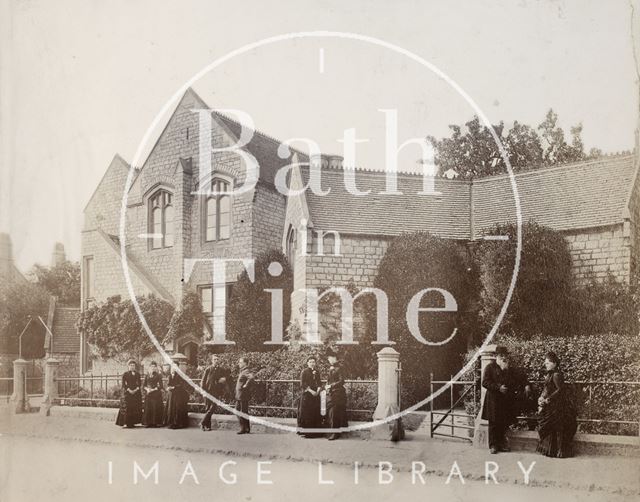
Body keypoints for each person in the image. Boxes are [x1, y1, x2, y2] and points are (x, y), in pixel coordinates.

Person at [481, 346, 531, 454]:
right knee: (493, 423)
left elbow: (521, 377)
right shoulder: (490, 367)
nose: (504, 358)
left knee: (503, 423)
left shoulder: (509, 369)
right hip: (493, 400)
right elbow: (484, 382)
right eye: (501, 356)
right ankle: (493, 445)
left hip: (504, 401)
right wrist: (498, 387)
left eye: (505, 356)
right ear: (496, 357)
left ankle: (501, 444)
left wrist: (526, 385)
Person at [536, 351, 577, 458]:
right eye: (545, 362)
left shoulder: (556, 374)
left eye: (548, 362)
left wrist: (548, 399)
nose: (546, 364)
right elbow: (547, 388)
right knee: (551, 427)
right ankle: (552, 451)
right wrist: (541, 398)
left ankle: (558, 451)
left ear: (554, 363)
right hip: (551, 405)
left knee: (556, 427)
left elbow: (560, 390)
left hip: (557, 406)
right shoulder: (550, 374)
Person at [200, 353, 231, 431]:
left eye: (217, 359)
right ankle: (207, 426)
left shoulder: (221, 370)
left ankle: (203, 422)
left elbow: (228, 376)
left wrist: (224, 379)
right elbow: (203, 381)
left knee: (213, 407)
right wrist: (203, 391)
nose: (216, 361)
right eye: (215, 359)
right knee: (208, 408)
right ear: (212, 360)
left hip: (216, 392)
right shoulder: (208, 369)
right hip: (207, 391)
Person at [297, 356, 322, 437]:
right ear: (307, 363)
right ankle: (307, 433)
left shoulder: (317, 372)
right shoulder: (304, 371)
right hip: (307, 395)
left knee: (315, 412)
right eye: (310, 362)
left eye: (313, 362)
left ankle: (315, 433)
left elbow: (319, 382)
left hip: (315, 395)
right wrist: (311, 391)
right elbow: (302, 384)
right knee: (307, 413)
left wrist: (318, 390)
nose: (312, 363)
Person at [325, 351, 347, 440]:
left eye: (330, 358)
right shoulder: (331, 368)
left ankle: (336, 433)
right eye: (328, 358)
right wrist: (326, 386)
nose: (329, 360)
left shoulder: (340, 368)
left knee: (334, 412)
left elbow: (342, 381)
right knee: (331, 411)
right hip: (331, 393)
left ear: (335, 358)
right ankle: (332, 431)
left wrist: (331, 385)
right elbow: (328, 380)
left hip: (338, 393)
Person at [115, 360, 143, 428]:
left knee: (134, 407)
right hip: (128, 392)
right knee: (128, 407)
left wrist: (136, 390)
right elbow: (123, 384)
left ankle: (133, 422)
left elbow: (139, 384)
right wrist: (129, 390)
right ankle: (127, 422)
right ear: (128, 366)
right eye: (130, 365)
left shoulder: (137, 374)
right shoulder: (125, 374)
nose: (132, 367)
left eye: (133, 365)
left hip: (135, 393)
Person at [235, 357, 254, 435]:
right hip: (240, 395)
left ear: (245, 363)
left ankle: (243, 428)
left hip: (242, 395)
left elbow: (252, 377)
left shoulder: (246, 371)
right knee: (243, 412)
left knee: (239, 411)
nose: (239, 364)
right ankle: (247, 428)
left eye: (240, 362)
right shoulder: (243, 371)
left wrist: (246, 384)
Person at [142, 361, 164, 427]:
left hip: (156, 394)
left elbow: (161, 386)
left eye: (154, 366)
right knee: (148, 407)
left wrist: (153, 389)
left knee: (155, 407)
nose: (153, 368)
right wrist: (147, 389)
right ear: (150, 367)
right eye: (152, 366)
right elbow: (144, 385)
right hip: (148, 394)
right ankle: (148, 423)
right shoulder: (147, 375)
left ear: (156, 368)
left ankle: (155, 422)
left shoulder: (158, 375)